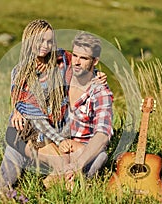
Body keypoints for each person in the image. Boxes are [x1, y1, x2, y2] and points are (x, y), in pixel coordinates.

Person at [0, 19, 107, 193]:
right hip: (38, 134)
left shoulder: (62, 60)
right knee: (15, 143)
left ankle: (51, 182)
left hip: (60, 130)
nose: (45, 45)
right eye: (40, 40)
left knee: (101, 155)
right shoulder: (19, 72)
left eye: (49, 41)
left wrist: (96, 75)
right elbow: (31, 114)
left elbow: (81, 63)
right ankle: (0, 191)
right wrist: (18, 109)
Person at [41, 32, 114, 188]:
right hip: (56, 144)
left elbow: (103, 135)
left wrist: (77, 164)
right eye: (75, 55)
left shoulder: (101, 93)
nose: (77, 62)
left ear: (95, 61)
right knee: (22, 138)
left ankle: (60, 181)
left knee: (99, 156)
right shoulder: (61, 76)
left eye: (84, 58)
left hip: (82, 152)